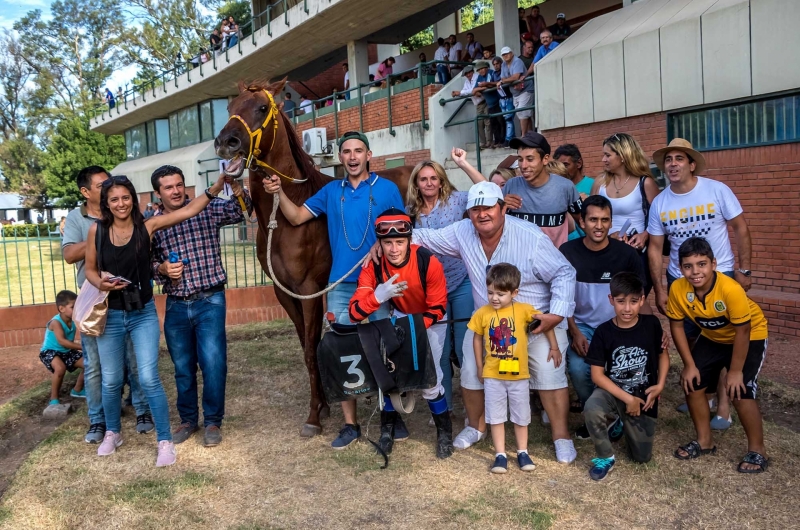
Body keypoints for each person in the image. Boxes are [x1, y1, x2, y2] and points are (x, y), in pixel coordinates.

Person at [394, 180, 577, 463]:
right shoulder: (462, 231)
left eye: (489, 207)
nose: (482, 214)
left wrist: (555, 315)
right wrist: (387, 244)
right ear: (468, 214)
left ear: (503, 208)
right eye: (475, 209)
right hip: (488, 324)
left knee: (548, 374)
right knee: (470, 371)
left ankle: (561, 436)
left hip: (534, 321)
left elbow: (564, 272)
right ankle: (475, 426)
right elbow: (424, 237)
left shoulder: (530, 236)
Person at [261, 131, 404, 449]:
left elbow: (403, 232)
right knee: (344, 354)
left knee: (383, 351)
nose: (352, 157)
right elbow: (297, 217)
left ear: (369, 155)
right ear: (340, 157)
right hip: (340, 284)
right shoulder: (330, 192)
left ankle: (390, 419)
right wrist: (279, 193)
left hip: (378, 283)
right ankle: (350, 424)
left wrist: (383, 243)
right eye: (347, 152)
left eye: (358, 151)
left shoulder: (388, 189)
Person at [84, 173, 228, 467]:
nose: (121, 203)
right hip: (111, 314)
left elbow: (189, 210)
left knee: (149, 377)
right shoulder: (96, 232)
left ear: (133, 199)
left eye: (126, 197)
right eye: (114, 199)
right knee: (111, 381)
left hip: (142, 314)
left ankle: (164, 440)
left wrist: (215, 187)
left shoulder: (147, 226)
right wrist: (101, 283)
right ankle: (113, 432)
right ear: (106, 204)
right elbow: (89, 270)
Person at [648, 138, 752, 429]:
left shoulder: (716, 190)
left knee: (724, 341)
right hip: (680, 282)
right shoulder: (660, 202)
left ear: (691, 164)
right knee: (692, 342)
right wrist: (660, 288)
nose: (672, 164)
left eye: (679, 158)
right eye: (668, 160)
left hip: (722, 275)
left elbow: (741, 228)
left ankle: (723, 404)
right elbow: (655, 248)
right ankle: (702, 394)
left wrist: (745, 269)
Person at [150, 165, 252, 448]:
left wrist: (237, 186)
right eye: (168, 187)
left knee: (213, 363)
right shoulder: (152, 225)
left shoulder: (205, 208)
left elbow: (240, 211)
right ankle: (187, 420)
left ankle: (212, 422)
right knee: (182, 367)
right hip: (176, 305)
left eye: (179, 184)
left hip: (210, 299)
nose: (176, 190)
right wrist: (161, 268)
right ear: (158, 193)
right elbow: (145, 264)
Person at [348, 208, 453, 458]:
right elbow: (354, 313)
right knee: (390, 377)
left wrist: (412, 330)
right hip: (402, 316)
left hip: (430, 319)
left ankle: (444, 434)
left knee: (430, 378)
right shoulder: (373, 267)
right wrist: (378, 296)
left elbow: (438, 306)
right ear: (380, 243)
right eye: (387, 243)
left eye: (399, 242)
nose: (394, 249)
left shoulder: (428, 261)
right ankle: (387, 432)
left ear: (409, 240)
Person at [62, 166, 152, 444]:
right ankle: (98, 420)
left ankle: (141, 410)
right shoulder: (79, 220)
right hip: (95, 301)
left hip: (129, 299)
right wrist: (99, 234)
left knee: (135, 360)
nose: (112, 189)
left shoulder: (127, 214)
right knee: (95, 365)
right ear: (86, 192)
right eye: (104, 186)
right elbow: (67, 254)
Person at [667, 238, 768, 474]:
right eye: (688, 266)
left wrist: (734, 372)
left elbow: (743, 330)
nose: (695, 272)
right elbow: (677, 327)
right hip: (713, 336)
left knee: (740, 390)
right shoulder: (678, 288)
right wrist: (689, 365)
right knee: (692, 383)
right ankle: (705, 442)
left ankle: (758, 450)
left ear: (714, 264)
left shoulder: (730, 289)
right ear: (680, 268)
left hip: (749, 335)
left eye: (701, 264)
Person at [405, 152, 488, 414]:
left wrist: (463, 164)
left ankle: (474, 408)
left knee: (465, 347)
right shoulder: (412, 212)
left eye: (434, 178)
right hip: (432, 287)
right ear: (416, 184)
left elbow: (484, 187)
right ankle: (444, 408)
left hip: (461, 280)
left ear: (441, 181)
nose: (429, 183)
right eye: (423, 179)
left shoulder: (456, 200)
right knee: (439, 350)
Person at [560, 195, 646, 439]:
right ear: (582, 222)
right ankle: (597, 416)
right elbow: (562, 298)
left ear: (611, 223)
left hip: (617, 325)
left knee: (620, 368)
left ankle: (618, 415)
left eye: (605, 220)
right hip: (582, 324)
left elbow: (640, 297)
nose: (599, 226)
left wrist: (652, 331)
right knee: (578, 369)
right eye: (593, 220)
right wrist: (574, 331)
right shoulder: (567, 252)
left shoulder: (626, 255)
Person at [469, 263, 559, 474]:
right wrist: (480, 366)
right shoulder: (482, 313)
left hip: (519, 376)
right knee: (496, 415)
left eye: (500, 294)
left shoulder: (524, 310)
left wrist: (554, 347)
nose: (494, 298)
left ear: (514, 292)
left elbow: (545, 323)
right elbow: (476, 338)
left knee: (521, 415)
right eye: (490, 292)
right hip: (493, 375)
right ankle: (500, 455)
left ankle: (522, 451)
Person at [583, 272, 669, 481]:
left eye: (633, 301)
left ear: (642, 300)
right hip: (614, 392)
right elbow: (597, 375)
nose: (627, 308)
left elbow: (663, 356)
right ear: (611, 300)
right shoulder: (604, 332)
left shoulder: (652, 325)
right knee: (592, 407)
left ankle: (621, 423)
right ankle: (605, 456)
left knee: (641, 458)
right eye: (621, 302)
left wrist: (660, 386)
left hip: (643, 397)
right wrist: (627, 399)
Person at [592, 133, 660, 305]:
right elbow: (589, 218)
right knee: (607, 303)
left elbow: (660, 220)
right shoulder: (600, 182)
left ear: (622, 156)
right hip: (605, 252)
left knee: (633, 302)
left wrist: (645, 235)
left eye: (607, 155)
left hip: (636, 255)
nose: (603, 160)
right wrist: (607, 237)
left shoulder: (645, 183)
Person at [503, 132, 581, 249]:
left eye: (530, 159)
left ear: (545, 159)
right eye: (520, 159)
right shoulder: (511, 185)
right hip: (520, 263)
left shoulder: (565, 187)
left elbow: (584, 221)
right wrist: (501, 207)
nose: (523, 165)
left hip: (555, 263)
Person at [39, 290, 85, 405]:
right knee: (60, 368)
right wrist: (83, 347)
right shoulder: (56, 322)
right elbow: (63, 341)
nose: (77, 309)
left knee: (90, 363)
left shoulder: (74, 319)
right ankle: (53, 398)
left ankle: (77, 390)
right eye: (73, 307)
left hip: (67, 352)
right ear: (61, 309)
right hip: (50, 352)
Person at [554, 144, 593, 241]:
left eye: (566, 165)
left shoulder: (594, 185)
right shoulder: (553, 187)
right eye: (559, 165)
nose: (562, 169)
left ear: (579, 163)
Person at [451, 65, 490, 149]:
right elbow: (469, 92)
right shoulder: (466, 82)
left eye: (469, 73)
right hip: (478, 103)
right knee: (479, 123)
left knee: (487, 122)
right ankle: (483, 142)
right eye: (466, 74)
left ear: (472, 72)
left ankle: (489, 142)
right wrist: (462, 93)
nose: (468, 75)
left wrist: (460, 92)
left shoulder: (477, 77)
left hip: (485, 101)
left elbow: (472, 90)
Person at [500, 46, 533, 136]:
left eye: (507, 53)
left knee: (522, 112)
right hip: (515, 92)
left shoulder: (517, 61)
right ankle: (530, 134)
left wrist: (504, 81)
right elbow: (502, 77)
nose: (505, 56)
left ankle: (523, 136)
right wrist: (506, 80)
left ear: (511, 53)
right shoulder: (503, 64)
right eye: (503, 55)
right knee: (525, 114)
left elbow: (516, 77)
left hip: (525, 89)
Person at [473, 61, 503, 148]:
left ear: (486, 68)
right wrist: (477, 89)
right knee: (494, 124)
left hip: (497, 101)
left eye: (482, 68)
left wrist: (480, 88)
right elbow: (475, 89)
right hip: (490, 104)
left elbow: (491, 84)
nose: (481, 71)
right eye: (479, 70)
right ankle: (497, 142)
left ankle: (502, 141)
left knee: (501, 122)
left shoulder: (491, 73)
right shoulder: (479, 77)